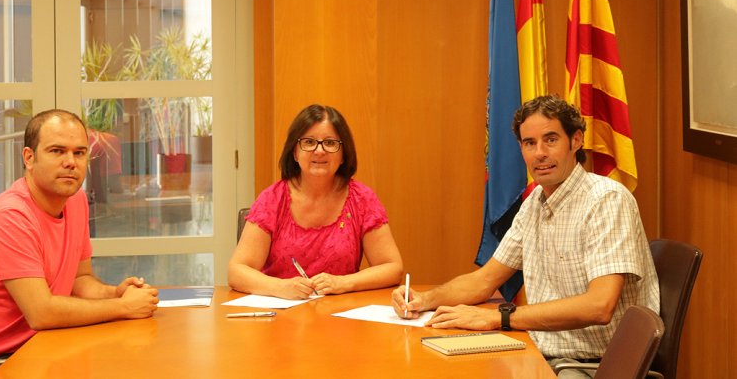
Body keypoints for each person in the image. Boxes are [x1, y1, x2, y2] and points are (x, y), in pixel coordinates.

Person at [391, 95, 659, 376]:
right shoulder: (534, 203)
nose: (539, 153)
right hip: (540, 348)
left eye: (551, 139)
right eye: (529, 143)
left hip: (593, 364)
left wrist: (499, 317)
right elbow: (484, 280)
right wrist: (424, 300)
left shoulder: (607, 200)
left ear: (576, 140)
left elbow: (599, 306)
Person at [0, 110, 159, 379]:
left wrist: (115, 293)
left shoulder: (75, 201)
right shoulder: (11, 216)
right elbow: (42, 313)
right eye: (57, 151)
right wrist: (124, 308)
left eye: (79, 153)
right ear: (29, 158)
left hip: (38, 347)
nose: (70, 162)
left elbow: (80, 279)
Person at [229, 104, 403, 299]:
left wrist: (344, 282)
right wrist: (280, 287)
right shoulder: (272, 199)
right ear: (295, 152)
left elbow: (392, 267)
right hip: (281, 317)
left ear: (343, 154)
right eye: (309, 142)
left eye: (330, 143)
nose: (319, 151)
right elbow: (237, 271)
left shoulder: (362, 199)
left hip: (342, 317)